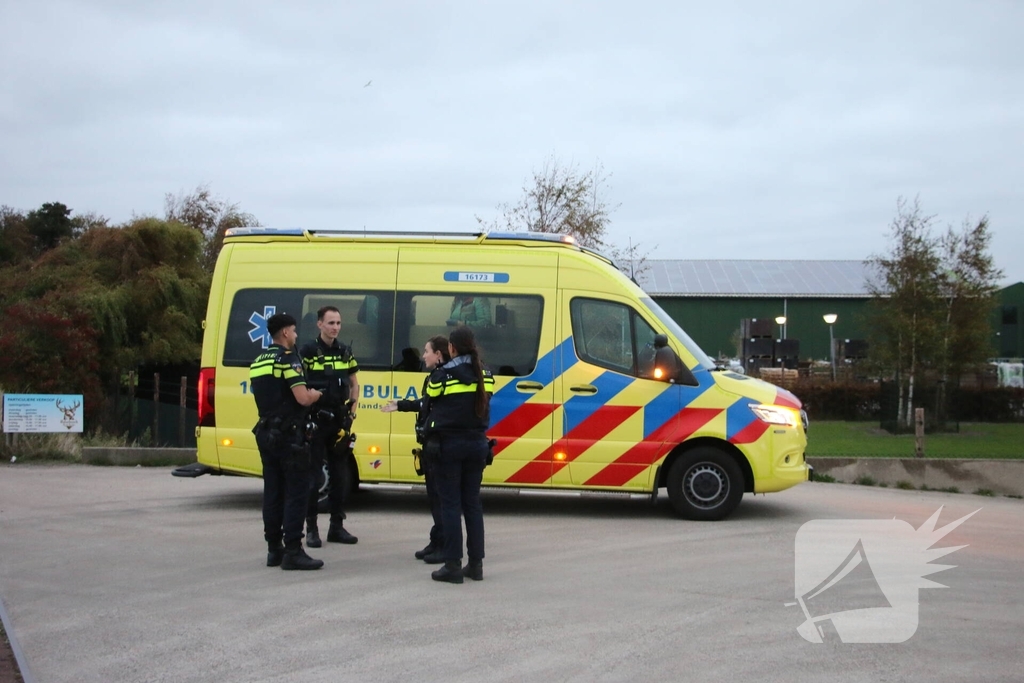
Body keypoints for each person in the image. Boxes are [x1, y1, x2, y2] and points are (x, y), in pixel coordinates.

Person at [249, 312, 325, 570]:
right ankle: (293, 550)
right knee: (296, 492)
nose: (295, 335)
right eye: (293, 330)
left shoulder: (258, 360)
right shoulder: (287, 359)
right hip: (289, 435)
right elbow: (302, 397)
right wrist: (316, 395)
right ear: (284, 332)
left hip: (266, 432)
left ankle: (274, 549)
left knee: (273, 491)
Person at [422, 326, 495, 583]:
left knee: (450, 505)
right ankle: (476, 565)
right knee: (472, 505)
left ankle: (452, 565)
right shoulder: (484, 373)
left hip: (449, 446)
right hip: (477, 445)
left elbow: (429, 402)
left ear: (451, 348)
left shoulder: (442, 375)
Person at [380, 336, 451, 565]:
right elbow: (425, 403)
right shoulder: (435, 375)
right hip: (430, 444)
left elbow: (433, 405)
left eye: (427, 351)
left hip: (440, 445)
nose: (423, 356)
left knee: (441, 498)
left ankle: (444, 546)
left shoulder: (444, 377)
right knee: (434, 497)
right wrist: (401, 405)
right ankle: (437, 540)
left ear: (438, 354)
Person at [299, 305, 360, 547]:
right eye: (331, 323)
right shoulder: (308, 351)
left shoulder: (345, 351)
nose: (335, 327)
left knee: (338, 476)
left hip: (339, 421)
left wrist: (351, 414)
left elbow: (355, 384)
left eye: (338, 323)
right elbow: (298, 385)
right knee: (313, 477)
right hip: (315, 421)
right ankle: (311, 529)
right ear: (319, 324)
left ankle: (337, 527)